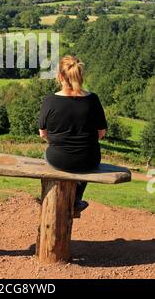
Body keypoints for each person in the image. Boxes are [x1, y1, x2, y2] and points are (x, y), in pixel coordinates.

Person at [38, 55, 107, 215]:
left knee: (50, 157)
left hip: (58, 159)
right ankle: (76, 200)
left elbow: (43, 134)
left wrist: (58, 143)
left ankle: (53, 199)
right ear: (80, 76)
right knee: (83, 164)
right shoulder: (93, 100)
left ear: (60, 76)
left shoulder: (50, 100)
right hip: (89, 159)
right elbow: (101, 133)